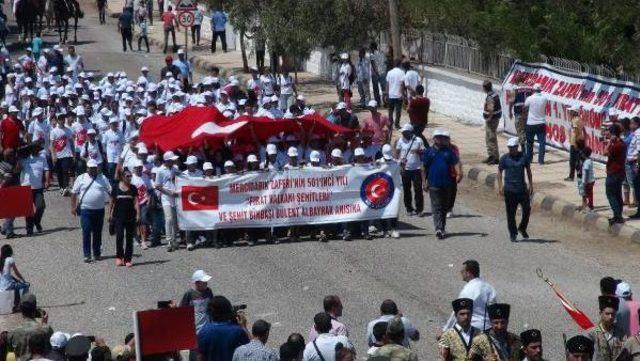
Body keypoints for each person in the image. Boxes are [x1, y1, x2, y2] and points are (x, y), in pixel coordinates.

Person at [422, 128, 460, 239]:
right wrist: (424, 182)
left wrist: (458, 174)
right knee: (436, 207)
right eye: (438, 137)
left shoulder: (449, 152)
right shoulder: (429, 152)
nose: (441, 139)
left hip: (447, 184)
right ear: (434, 139)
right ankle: (438, 228)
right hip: (433, 184)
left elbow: (456, 163)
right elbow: (423, 168)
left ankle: (442, 227)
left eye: (443, 137)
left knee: (444, 207)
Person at [71, 159, 112, 263]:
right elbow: (74, 193)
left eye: (94, 168)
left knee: (97, 232)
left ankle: (97, 253)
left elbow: (111, 191)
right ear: (87, 168)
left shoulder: (102, 178)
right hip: (85, 210)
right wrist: (73, 207)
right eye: (90, 168)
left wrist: (110, 210)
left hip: (99, 210)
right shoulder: (81, 178)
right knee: (86, 231)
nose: (92, 170)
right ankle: (87, 254)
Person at [443, 260, 497, 331]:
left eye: (462, 271)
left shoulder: (467, 290)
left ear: (468, 273)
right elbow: (494, 309)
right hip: (488, 327)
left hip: (473, 328)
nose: (461, 273)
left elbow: (457, 312)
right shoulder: (490, 288)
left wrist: (445, 329)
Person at [497, 137, 533, 242]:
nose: (511, 149)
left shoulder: (524, 157)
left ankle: (522, 228)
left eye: (513, 147)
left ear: (517, 147)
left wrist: (531, 185)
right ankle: (513, 233)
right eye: (510, 148)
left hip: (522, 189)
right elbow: (499, 172)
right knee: (511, 213)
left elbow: (528, 171)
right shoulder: (504, 158)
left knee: (527, 209)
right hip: (509, 190)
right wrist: (500, 186)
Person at [197, 295, 250, 361]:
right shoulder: (238, 332)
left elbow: (200, 357)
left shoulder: (203, 332)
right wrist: (244, 327)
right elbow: (251, 349)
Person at [7, 293, 54, 361]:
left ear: (21, 311)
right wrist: (44, 324)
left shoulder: (12, 333)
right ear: (35, 309)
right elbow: (50, 349)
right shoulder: (46, 329)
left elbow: (10, 355)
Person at [108, 169, 139, 267]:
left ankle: (127, 259)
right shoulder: (116, 187)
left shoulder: (133, 188)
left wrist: (138, 214)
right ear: (122, 177)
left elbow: (136, 202)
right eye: (127, 176)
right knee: (120, 236)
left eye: (130, 176)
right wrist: (109, 214)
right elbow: (112, 201)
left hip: (130, 216)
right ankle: (119, 257)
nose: (130, 178)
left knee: (129, 238)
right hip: (118, 216)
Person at [395, 123, 425, 217]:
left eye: (404, 132)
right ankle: (409, 208)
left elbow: (424, 152)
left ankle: (419, 209)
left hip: (416, 168)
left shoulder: (418, 140)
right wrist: (399, 163)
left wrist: (417, 151)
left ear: (410, 132)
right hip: (405, 168)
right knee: (407, 189)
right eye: (402, 132)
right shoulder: (400, 140)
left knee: (418, 189)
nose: (403, 134)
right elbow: (397, 153)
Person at [20, 143, 49, 235]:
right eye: (34, 148)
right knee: (28, 210)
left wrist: (47, 181)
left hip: (38, 188)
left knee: (40, 206)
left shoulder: (42, 158)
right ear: (31, 149)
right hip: (26, 187)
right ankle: (29, 229)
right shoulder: (24, 159)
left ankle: (36, 221)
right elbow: (17, 169)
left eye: (37, 148)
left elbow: (46, 170)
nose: (36, 150)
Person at [588, 295, 626, 361]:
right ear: (600, 313)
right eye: (607, 314)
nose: (610, 317)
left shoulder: (621, 333)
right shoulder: (592, 334)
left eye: (613, 314)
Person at [604, 124, 626, 225]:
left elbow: (605, 152)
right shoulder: (622, 143)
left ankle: (617, 216)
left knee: (611, 194)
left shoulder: (617, 145)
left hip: (614, 172)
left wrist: (609, 143)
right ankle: (618, 214)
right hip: (620, 172)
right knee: (617, 194)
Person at [181, 270, 214, 335]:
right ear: (197, 282)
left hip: (208, 327)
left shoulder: (208, 291)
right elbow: (182, 310)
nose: (206, 283)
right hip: (195, 329)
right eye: (204, 282)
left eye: (206, 281)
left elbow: (212, 306)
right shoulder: (189, 294)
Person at [524, 84, 548, 165]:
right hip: (541, 123)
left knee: (529, 142)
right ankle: (541, 161)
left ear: (533, 90)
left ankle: (529, 159)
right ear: (540, 90)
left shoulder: (529, 98)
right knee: (542, 143)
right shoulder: (544, 98)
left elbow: (525, 106)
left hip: (530, 123)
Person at [507, 75, 533, 146]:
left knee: (520, 130)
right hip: (528, 113)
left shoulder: (515, 89)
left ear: (517, 81)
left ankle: (524, 149)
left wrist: (510, 112)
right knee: (527, 130)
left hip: (519, 112)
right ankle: (529, 147)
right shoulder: (530, 89)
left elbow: (511, 101)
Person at [482, 80, 501, 165]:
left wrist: (489, 118)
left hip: (492, 120)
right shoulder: (494, 94)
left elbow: (491, 109)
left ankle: (495, 157)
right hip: (494, 118)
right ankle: (491, 156)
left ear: (485, 88)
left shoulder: (490, 97)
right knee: (488, 137)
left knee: (491, 138)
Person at [566, 105, 585, 181]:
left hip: (575, 142)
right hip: (579, 141)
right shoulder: (579, 119)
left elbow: (575, 131)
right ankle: (580, 175)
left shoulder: (575, 120)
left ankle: (572, 176)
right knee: (578, 159)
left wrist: (574, 143)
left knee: (573, 160)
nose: (569, 112)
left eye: (571, 111)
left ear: (574, 112)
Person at [386, 59, 404, 129]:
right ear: (400, 65)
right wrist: (402, 94)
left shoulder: (389, 72)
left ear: (394, 64)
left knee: (390, 110)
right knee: (398, 111)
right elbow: (402, 84)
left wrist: (387, 94)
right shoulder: (401, 72)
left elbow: (387, 84)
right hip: (398, 95)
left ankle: (390, 124)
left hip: (391, 94)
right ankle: (397, 124)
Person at [578, 147, 595, 211]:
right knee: (590, 193)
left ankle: (589, 206)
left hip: (588, 181)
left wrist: (584, 182)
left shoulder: (586, 162)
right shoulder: (590, 160)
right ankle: (590, 205)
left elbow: (586, 172)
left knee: (588, 193)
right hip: (591, 180)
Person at [369, 42, 386, 107]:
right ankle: (385, 102)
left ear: (372, 48)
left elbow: (373, 64)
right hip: (383, 72)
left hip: (376, 74)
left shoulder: (372, 55)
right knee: (384, 89)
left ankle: (378, 103)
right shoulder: (382, 53)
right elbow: (385, 62)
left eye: (370, 48)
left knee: (376, 89)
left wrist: (376, 72)